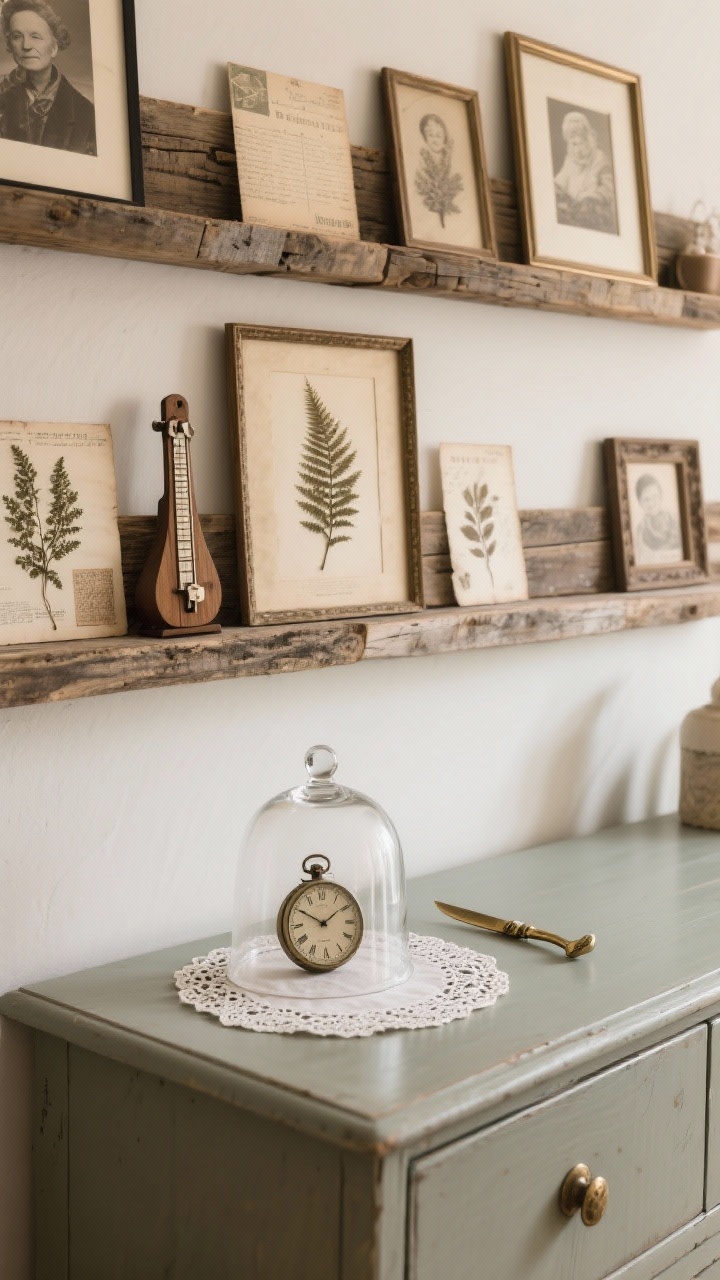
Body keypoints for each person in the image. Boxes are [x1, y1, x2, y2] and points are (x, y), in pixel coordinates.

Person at [0, 0, 96, 154]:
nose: (26, 45)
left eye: (35, 36)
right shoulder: (3, 100)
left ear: (54, 47)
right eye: (17, 36)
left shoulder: (86, 113)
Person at [553, 110, 617, 234]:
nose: (577, 150)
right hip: (574, 211)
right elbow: (560, 181)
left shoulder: (600, 158)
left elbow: (609, 188)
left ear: (588, 139)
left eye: (580, 143)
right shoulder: (570, 160)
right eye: (573, 144)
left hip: (595, 214)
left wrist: (590, 197)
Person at [634, 473, 682, 564]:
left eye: (655, 497)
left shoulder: (673, 519)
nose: (651, 503)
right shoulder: (640, 531)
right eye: (646, 499)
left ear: (661, 496)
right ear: (640, 502)